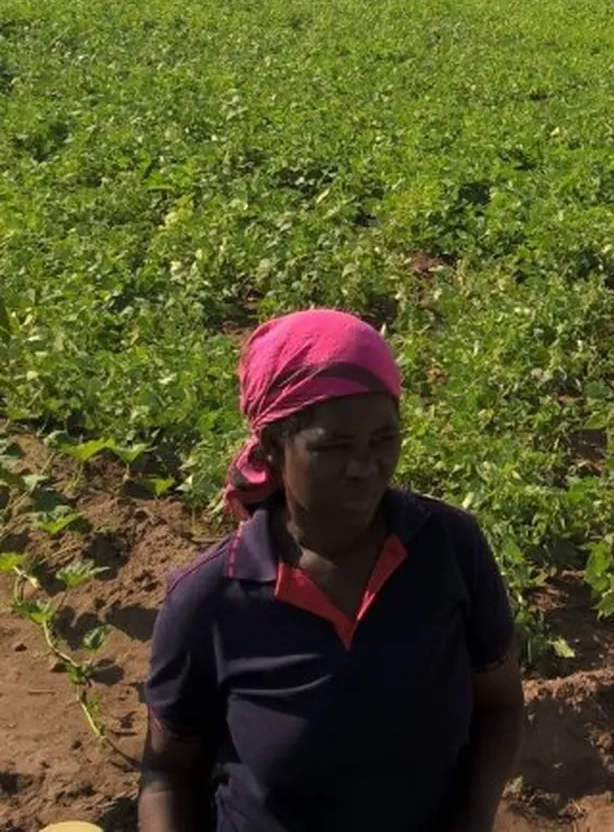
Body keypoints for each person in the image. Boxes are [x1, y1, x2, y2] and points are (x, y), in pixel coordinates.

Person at [138, 309, 525, 832]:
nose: (365, 467)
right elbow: (168, 771)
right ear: (274, 449)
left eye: (383, 440)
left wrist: (470, 821)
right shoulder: (211, 598)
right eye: (333, 447)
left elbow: (499, 704)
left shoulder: (449, 547)